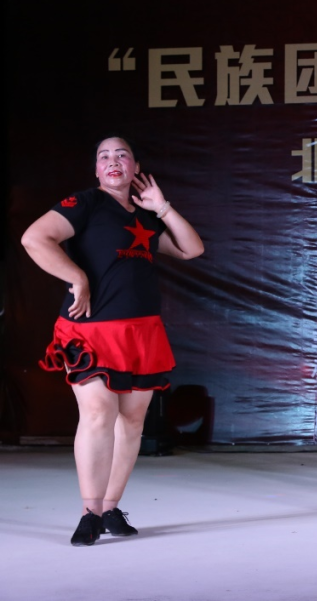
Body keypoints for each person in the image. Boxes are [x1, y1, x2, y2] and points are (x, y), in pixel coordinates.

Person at [21, 137, 204, 545]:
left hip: (142, 331)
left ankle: (109, 508)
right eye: (104, 156)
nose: (112, 160)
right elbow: (34, 238)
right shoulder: (85, 203)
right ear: (96, 170)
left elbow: (191, 249)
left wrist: (162, 206)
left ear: (136, 167)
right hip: (90, 329)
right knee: (98, 413)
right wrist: (76, 277)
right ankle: (89, 512)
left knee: (132, 421)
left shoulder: (147, 216)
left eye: (122, 154)